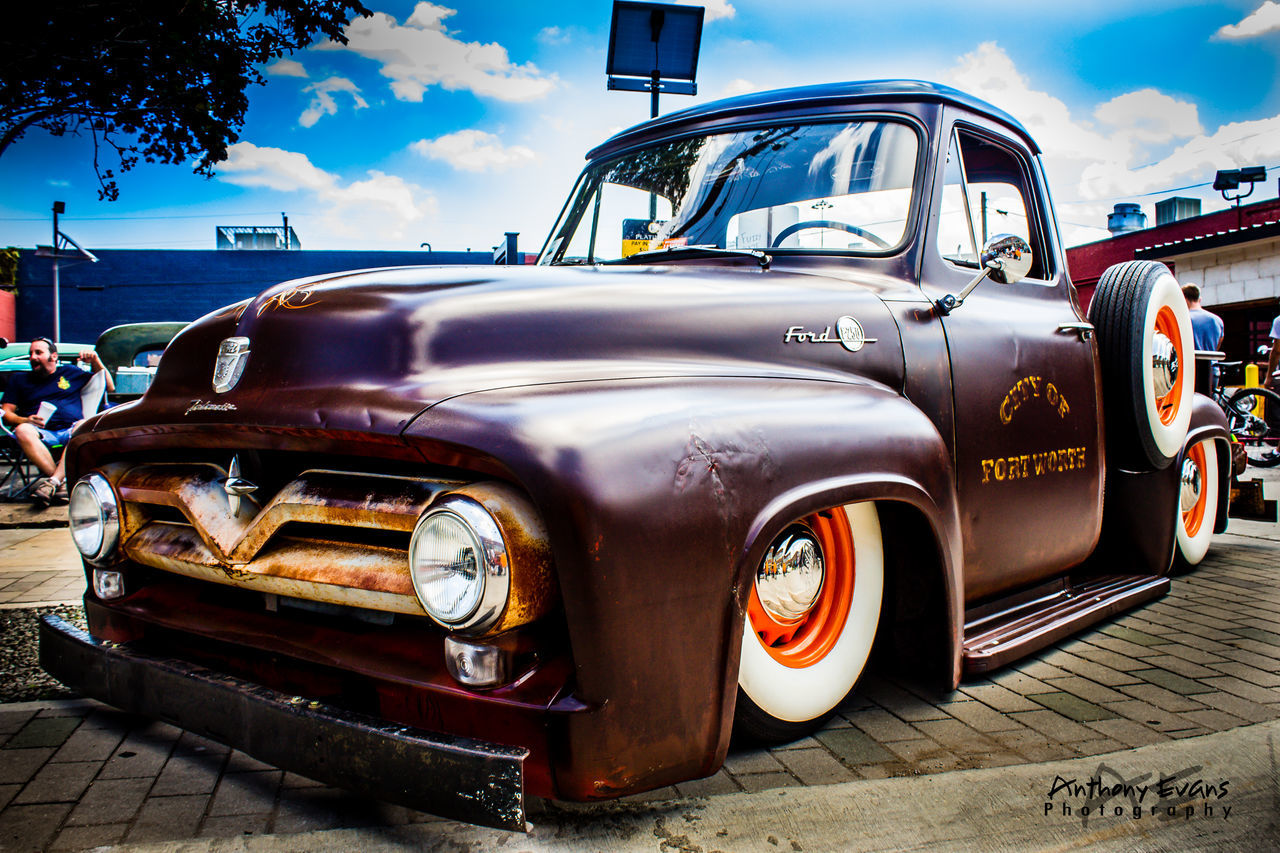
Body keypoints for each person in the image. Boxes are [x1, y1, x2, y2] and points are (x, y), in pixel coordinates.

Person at [1, 337, 114, 505]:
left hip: (71, 430)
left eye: (38, 352)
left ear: (53, 356)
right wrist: (25, 419)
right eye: (31, 353)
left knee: (84, 425)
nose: (33, 357)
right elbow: (6, 413)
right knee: (22, 430)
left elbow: (109, 386)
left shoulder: (70, 372)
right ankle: (60, 482)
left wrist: (95, 360)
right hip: (41, 433)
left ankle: (52, 483)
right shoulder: (19, 380)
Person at [1182, 284, 1224, 352]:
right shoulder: (1217, 320)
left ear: (1184, 300)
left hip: (1191, 362)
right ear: (1199, 299)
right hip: (1212, 362)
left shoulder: (1183, 319)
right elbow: (1217, 346)